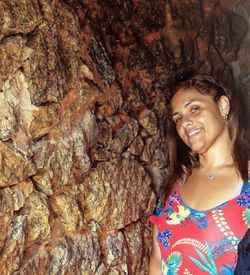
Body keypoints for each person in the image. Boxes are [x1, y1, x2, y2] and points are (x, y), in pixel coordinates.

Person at [149, 74, 249, 274]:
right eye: (178, 118)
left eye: (194, 108)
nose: (185, 123)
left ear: (222, 106)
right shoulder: (175, 185)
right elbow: (157, 259)